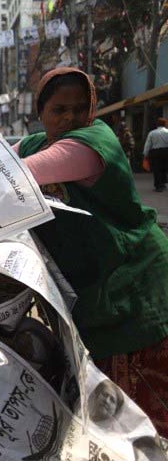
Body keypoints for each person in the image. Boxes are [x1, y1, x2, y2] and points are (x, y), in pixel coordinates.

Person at [14, 67, 168, 436]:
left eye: (80, 109)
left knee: (149, 403)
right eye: (59, 110)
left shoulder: (90, 142)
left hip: (136, 279)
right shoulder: (37, 142)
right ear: (41, 112)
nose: (70, 118)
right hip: (97, 287)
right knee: (111, 405)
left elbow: (8, 174)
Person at [143, 117, 168, 192]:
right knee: (164, 167)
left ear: (157, 124)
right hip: (166, 151)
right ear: (165, 124)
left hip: (155, 152)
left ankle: (158, 185)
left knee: (157, 168)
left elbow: (148, 144)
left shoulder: (152, 133)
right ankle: (163, 183)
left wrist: (145, 153)